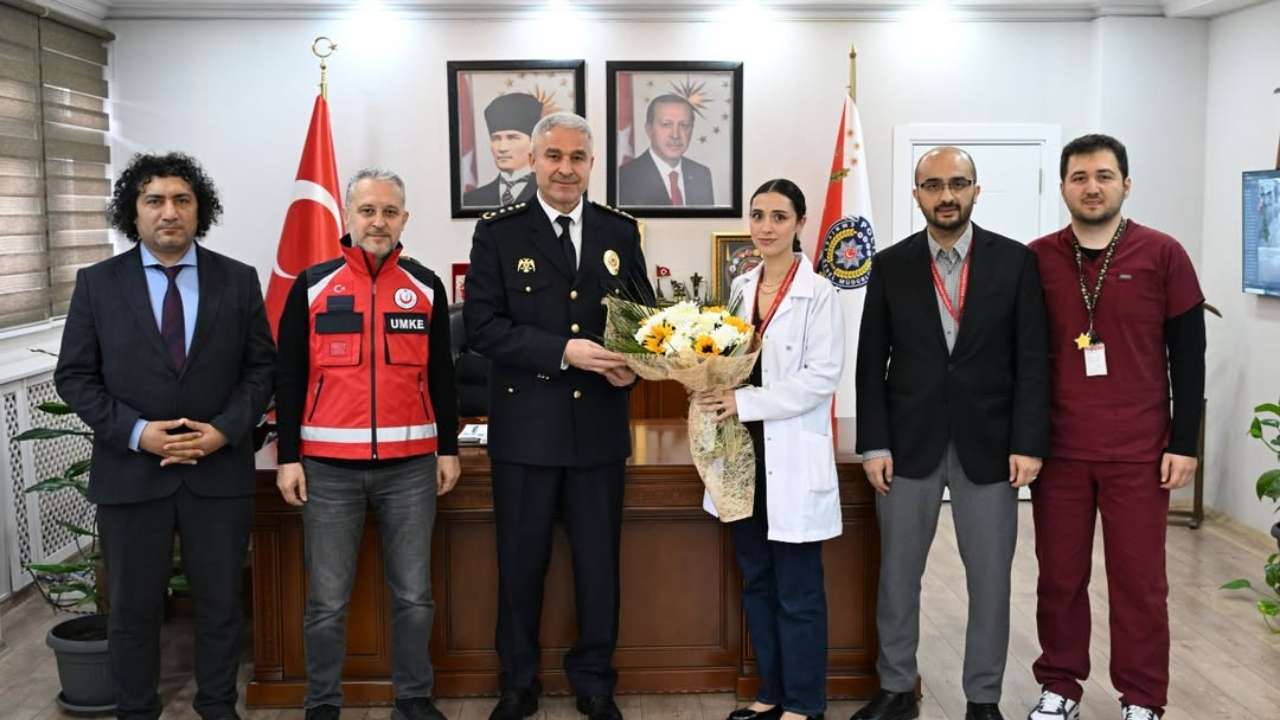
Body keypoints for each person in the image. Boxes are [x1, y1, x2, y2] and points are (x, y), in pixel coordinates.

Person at [54, 152, 275, 720]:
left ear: (201, 210)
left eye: (182, 200)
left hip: (217, 473)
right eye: (154, 200)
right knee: (132, 611)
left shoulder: (238, 279)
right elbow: (75, 377)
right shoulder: (98, 284)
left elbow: (261, 369)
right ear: (134, 212)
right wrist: (137, 433)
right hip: (132, 475)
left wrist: (223, 432)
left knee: (221, 606)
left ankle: (218, 706)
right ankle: (136, 710)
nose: (169, 212)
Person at [464, 111, 655, 720]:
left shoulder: (619, 231)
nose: (565, 168)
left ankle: (595, 681)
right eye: (554, 156)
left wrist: (634, 365)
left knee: (599, 568)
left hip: (598, 431)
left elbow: (643, 321)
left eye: (577, 157)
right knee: (521, 567)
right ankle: (518, 682)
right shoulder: (498, 233)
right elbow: (482, 327)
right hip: (526, 433)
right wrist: (563, 351)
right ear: (533, 161)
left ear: (592, 164)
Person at [854, 148, 1050, 720]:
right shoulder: (890, 265)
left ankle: (983, 698)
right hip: (906, 446)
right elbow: (870, 363)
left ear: (975, 190)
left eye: (958, 184)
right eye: (934, 185)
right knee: (898, 577)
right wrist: (874, 443)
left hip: (990, 448)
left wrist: (1029, 442)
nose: (946, 195)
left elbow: (1033, 360)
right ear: (916, 194)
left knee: (990, 581)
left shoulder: (1015, 262)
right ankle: (896, 688)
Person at [1025, 134, 1205, 720]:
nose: (1092, 187)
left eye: (1104, 175)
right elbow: (1021, 359)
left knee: (1140, 583)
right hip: (1060, 451)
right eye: (1079, 177)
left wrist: (1184, 443)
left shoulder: (1164, 254)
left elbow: (1189, 357)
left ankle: (1143, 698)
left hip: (1140, 452)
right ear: (1062, 187)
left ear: (1126, 184)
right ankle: (1060, 686)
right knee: (1059, 579)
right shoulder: (1036, 259)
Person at [274, 169, 460, 720]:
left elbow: (443, 376)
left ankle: (413, 698)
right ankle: (322, 703)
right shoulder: (312, 285)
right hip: (328, 471)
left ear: (405, 219)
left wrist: (447, 448)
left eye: (390, 211)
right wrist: (288, 457)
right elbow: (289, 377)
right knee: (327, 601)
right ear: (348, 216)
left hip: (410, 469)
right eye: (368, 210)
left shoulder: (425, 285)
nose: (379, 222)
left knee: (414, 596)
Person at [693, 179, 845, 720]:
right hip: (742, 457)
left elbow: (820, 378)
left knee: (797, 589)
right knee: (757, 580)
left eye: (779, 217)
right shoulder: (739, 287)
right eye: (757, 215)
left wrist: (743, 402)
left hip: (790, 454)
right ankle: (771, 694)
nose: (765, 227)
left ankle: (804, 703)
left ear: (800, 223)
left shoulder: (819, 293)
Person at [617, 94, 714, 206]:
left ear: (691, 129)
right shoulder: (624, 178)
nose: (675, 135)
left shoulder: (701, 174)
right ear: (649, 129)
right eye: (666, 124)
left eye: (684, 125)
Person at [463, 93, 542, 208]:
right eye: (496, 138)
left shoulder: (550, 196)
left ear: (533, 143)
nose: (502, 148)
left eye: (512, 138)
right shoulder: (472, 200)